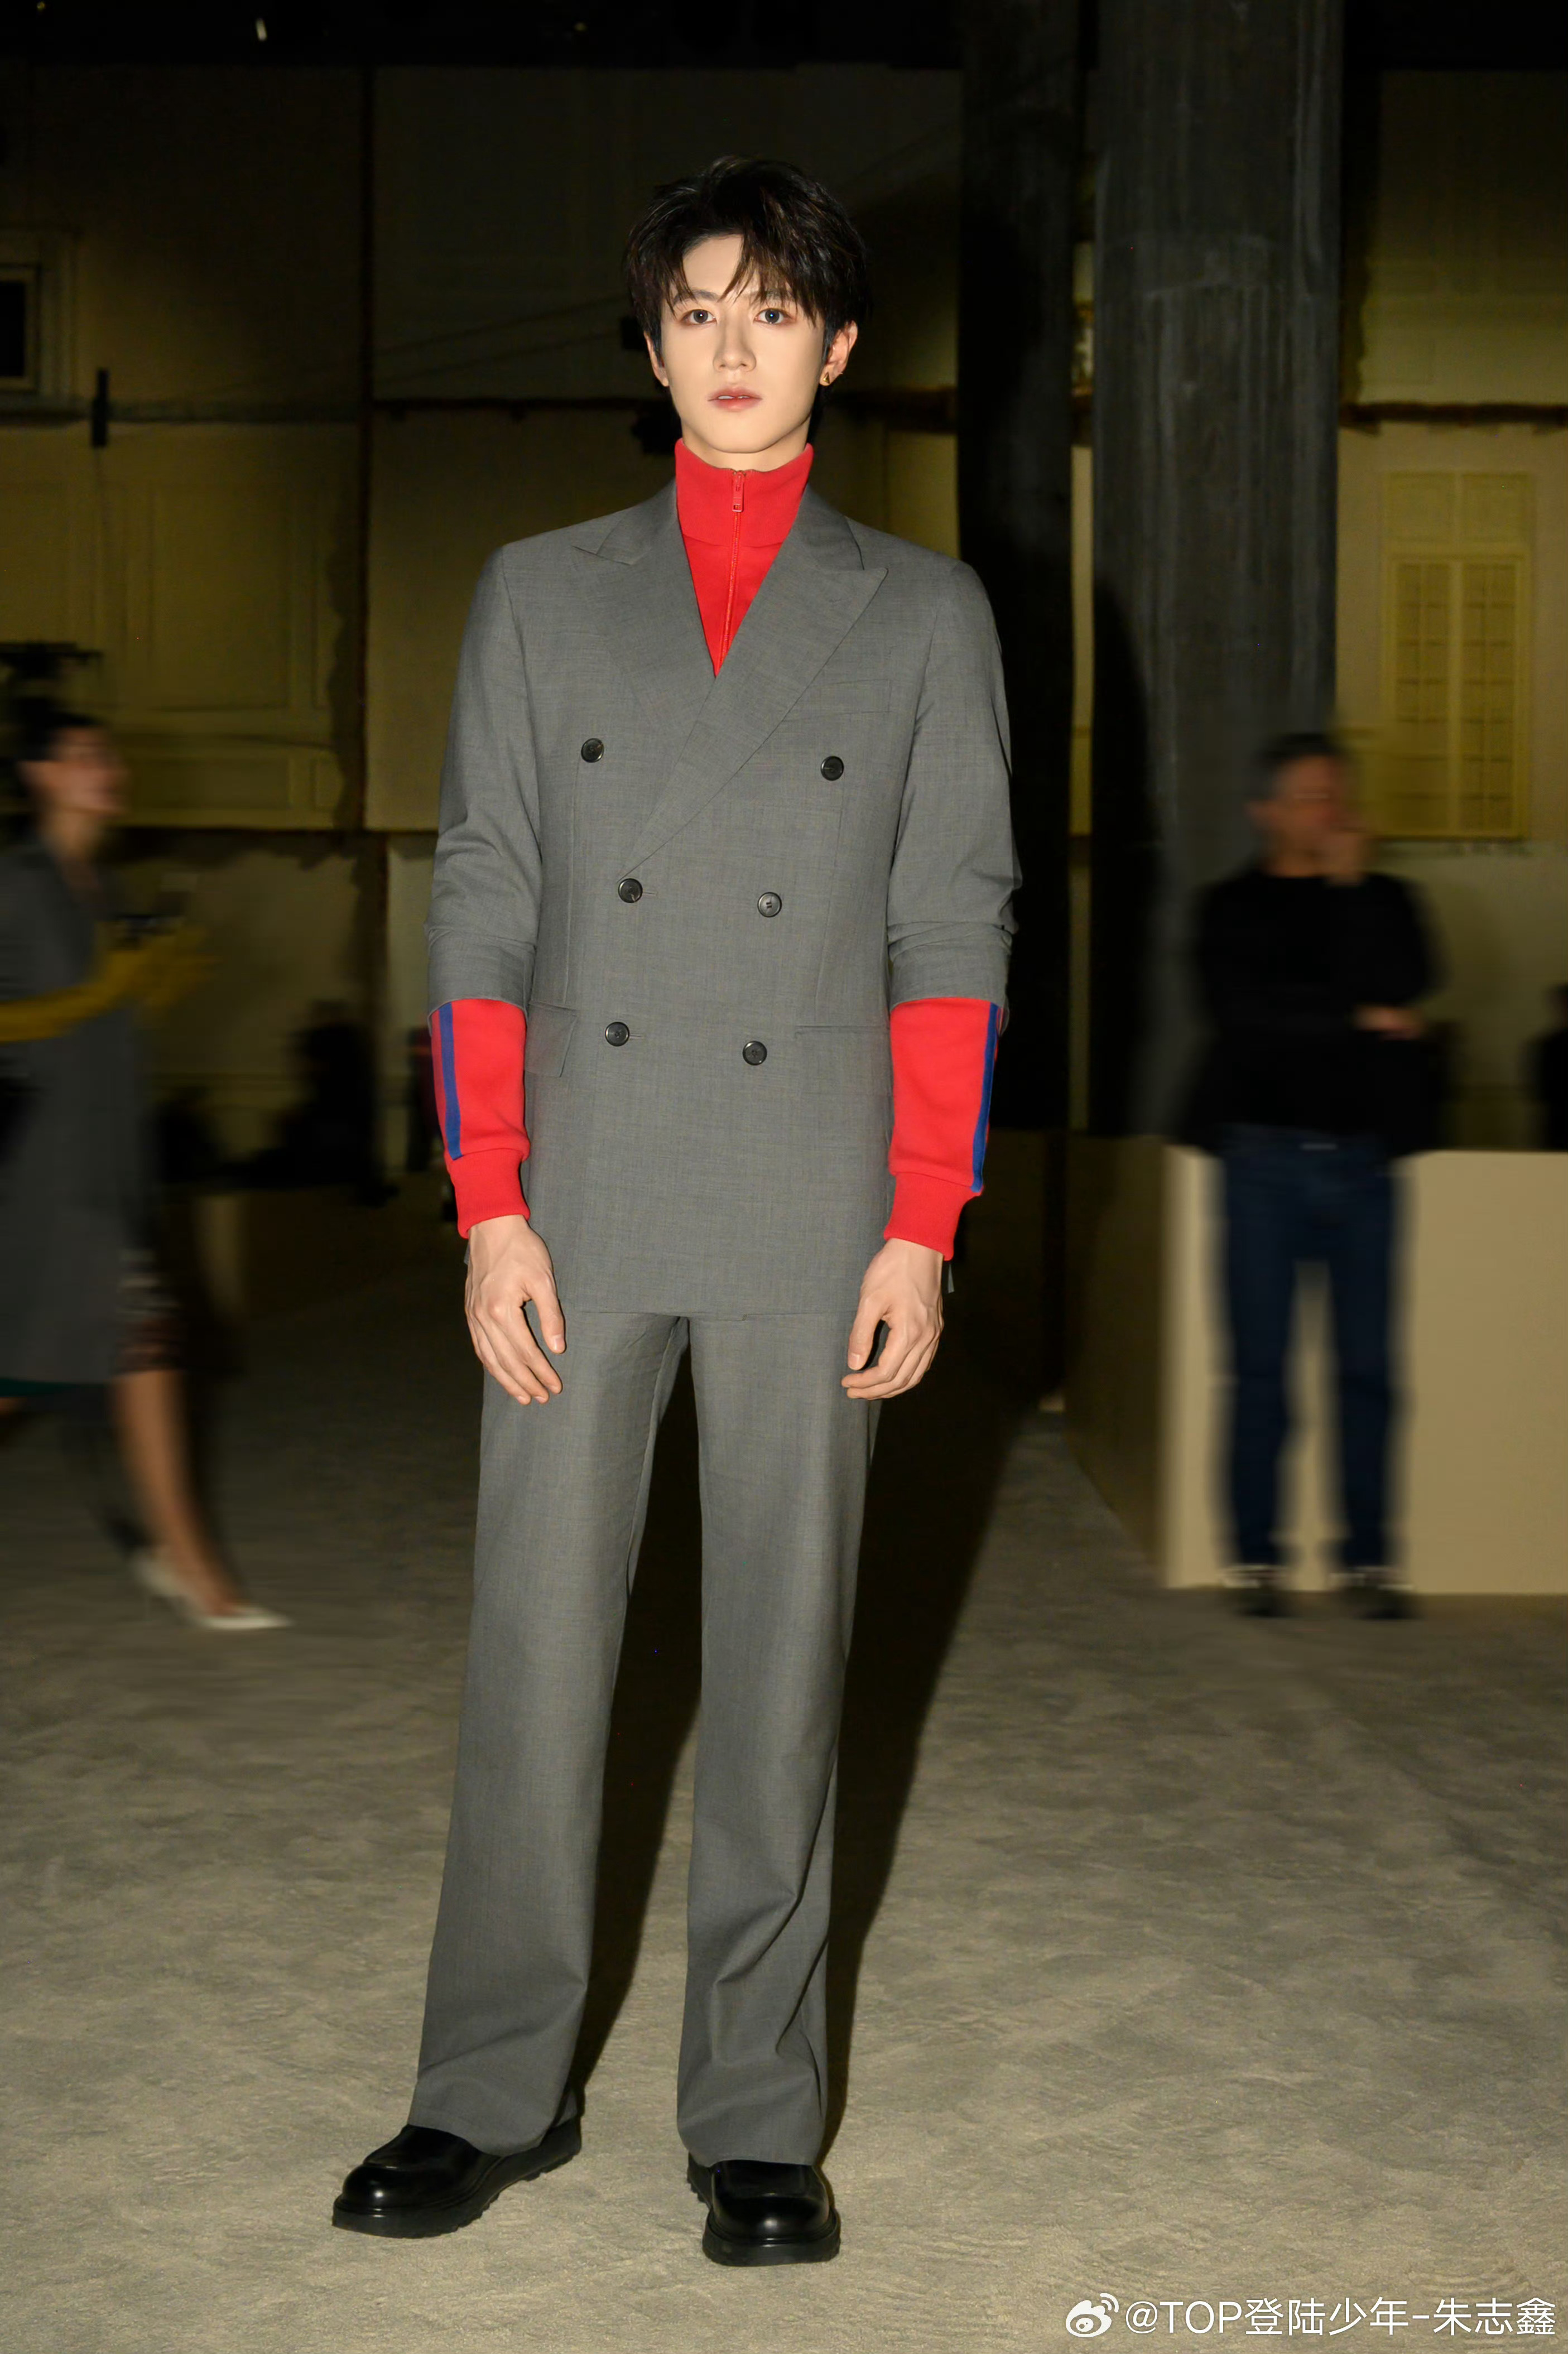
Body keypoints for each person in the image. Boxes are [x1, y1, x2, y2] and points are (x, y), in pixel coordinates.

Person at [334, 157, 1016, 2262]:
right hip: (584, 1193)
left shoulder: (925, 613)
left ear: (838, 344)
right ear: (649, 345)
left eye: (772, 306)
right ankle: (488, 2084)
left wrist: (922, 1220)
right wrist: (488, 1197)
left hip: (815, 1199)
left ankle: (754, 2109)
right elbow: (481, 897)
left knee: (785, 1661)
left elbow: (954, 926)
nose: (732, 345)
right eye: (695, 309)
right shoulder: (539, 592)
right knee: (537, 1654)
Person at [0, 707, 286, 1633]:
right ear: (39, 773)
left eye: (109, 752)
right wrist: (103, 991)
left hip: (106, 1154)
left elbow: (104, 1024)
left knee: (77, 1354)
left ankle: (187, 1564)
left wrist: (154, 987)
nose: (110, 767)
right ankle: (192, 1568)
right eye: (86, 754)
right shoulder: (15, 883)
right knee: (136, 1338)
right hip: (42, 1162)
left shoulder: (105, 889)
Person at [1181, 732, 1437, 1620]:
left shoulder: (1382, 898)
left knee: (1367, 1370)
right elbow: (1245, 1016)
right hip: (1260, 1161)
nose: (1331, 809)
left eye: (1337, 792)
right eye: (1310, 794)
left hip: (1365, 1163)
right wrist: (1362, 1017)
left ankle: (1367, 1558)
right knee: (1260, 1370)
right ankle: (1255, 1557)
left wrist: (1350, 890)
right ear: (1265, 810)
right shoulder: (1230, 907)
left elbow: (1408, 979)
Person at [1527, 984, 1568, 1150]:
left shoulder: (1549, 1044)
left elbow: (1541, 1090)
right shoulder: (1549, 1045)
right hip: (1557, 1121)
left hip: (1556, 1121)